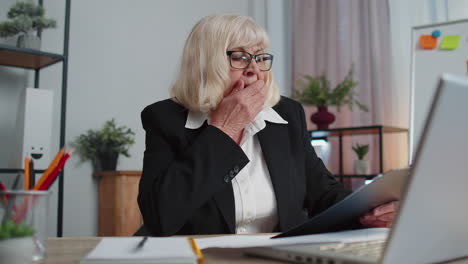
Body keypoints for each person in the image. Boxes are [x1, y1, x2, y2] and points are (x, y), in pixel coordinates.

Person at [137, 14, 397, 236]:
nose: (254, 70)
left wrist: (370, 213)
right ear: (206, 63)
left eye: (260, 57)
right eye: (239, 57)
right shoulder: (164, 118)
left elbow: (323, 194)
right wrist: (224, 130)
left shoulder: (287, 114)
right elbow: (161, 217)